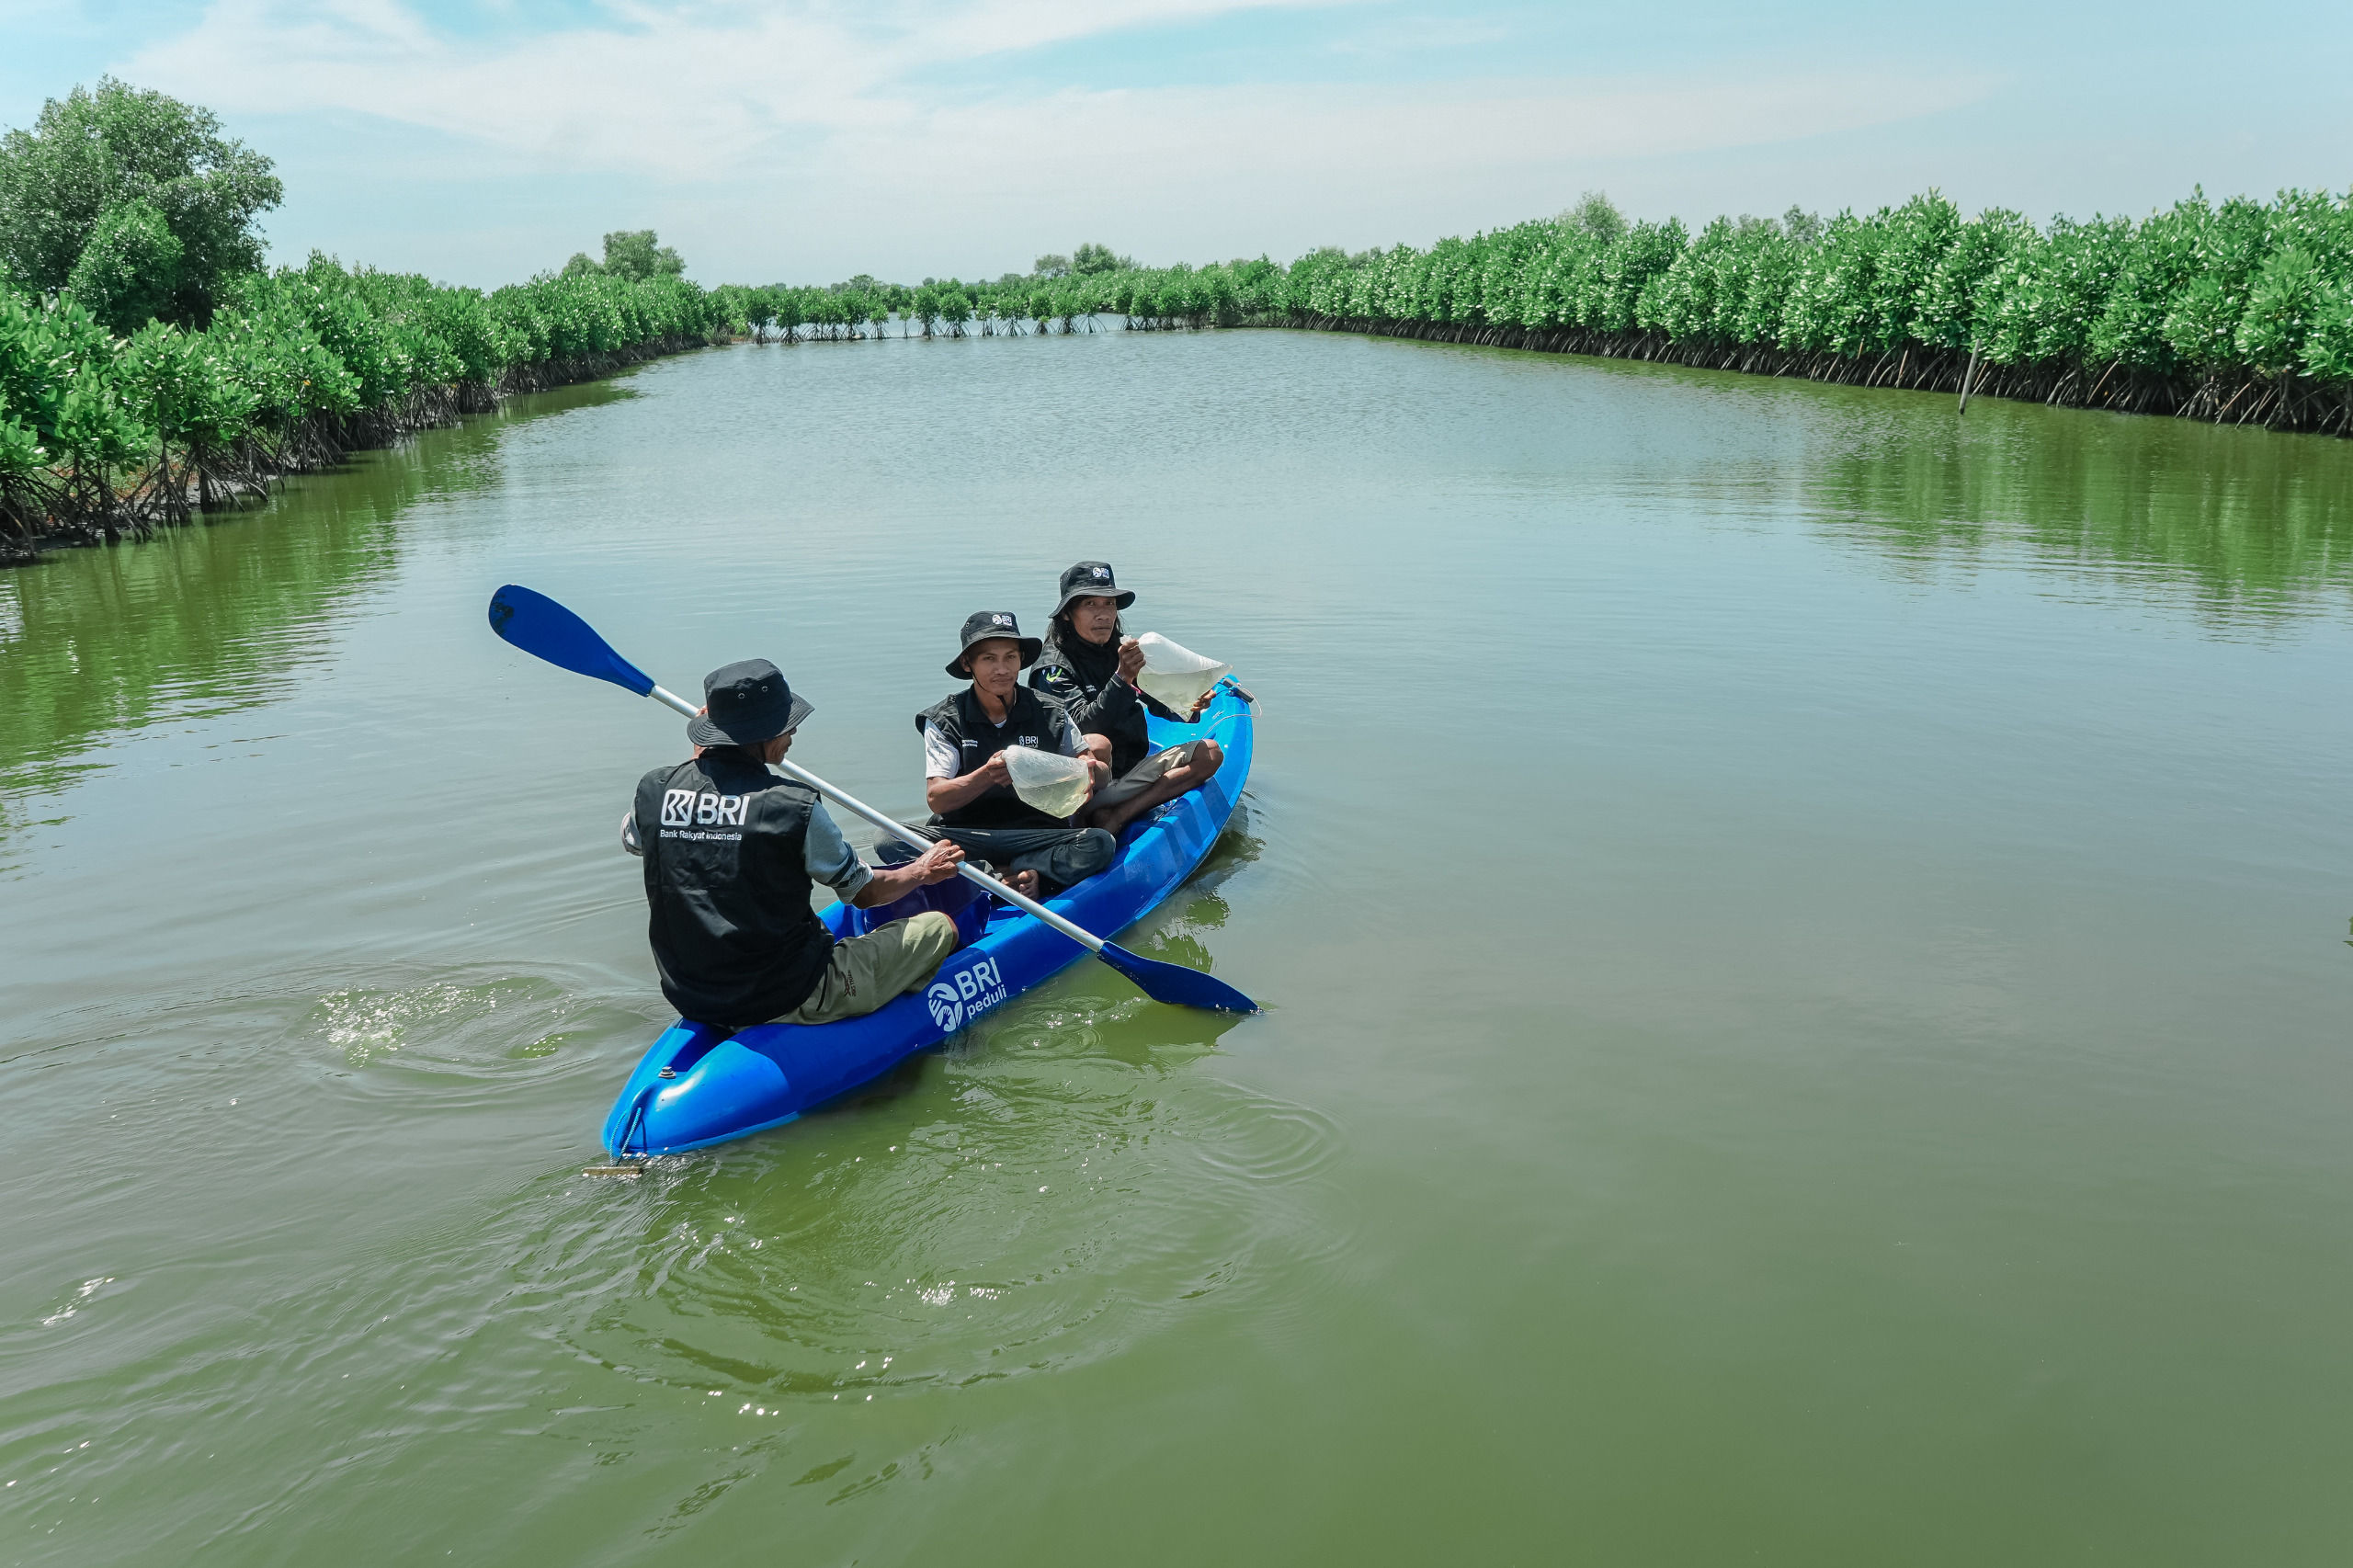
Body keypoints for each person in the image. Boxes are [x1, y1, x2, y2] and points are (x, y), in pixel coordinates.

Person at [624, 658, 967, 1029]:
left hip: (691, 995)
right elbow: (864, 894)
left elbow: (637, 840)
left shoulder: (655, 790)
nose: (793, 736)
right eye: (787, 726)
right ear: (766, 735)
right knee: (938, 926)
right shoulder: (794, 807)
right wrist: (922, 870)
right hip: (788, 994)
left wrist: (697, 765)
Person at [915, 610, 1116, 898]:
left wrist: (1089, 770)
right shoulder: (945, 719)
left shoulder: (1051, 711)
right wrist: (987, 775)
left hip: (1037, 835)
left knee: (1099, 843)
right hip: (968, 835)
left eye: (1010, 657)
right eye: (989, 659)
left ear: (1021, 660)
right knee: (890, 839)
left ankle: (1012, 872)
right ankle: (1001, 877)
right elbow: (937, 799)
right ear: (967, 664)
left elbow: (1092, 770)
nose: (1002, 669)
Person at [1030, 560, 1223, 836]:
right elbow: (1082, 729)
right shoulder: (1053, 669)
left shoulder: (1122, 648)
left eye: (1109, 604)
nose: (1103, 615)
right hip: (1081, 787)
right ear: (1066, 614)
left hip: (1131, 772)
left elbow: (1161, 702)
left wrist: (1192, 702)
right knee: (1096, 745)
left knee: (1211, 753)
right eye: (1090, 605)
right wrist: (1122, 678)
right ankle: (1081, 826)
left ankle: (1118, 815)